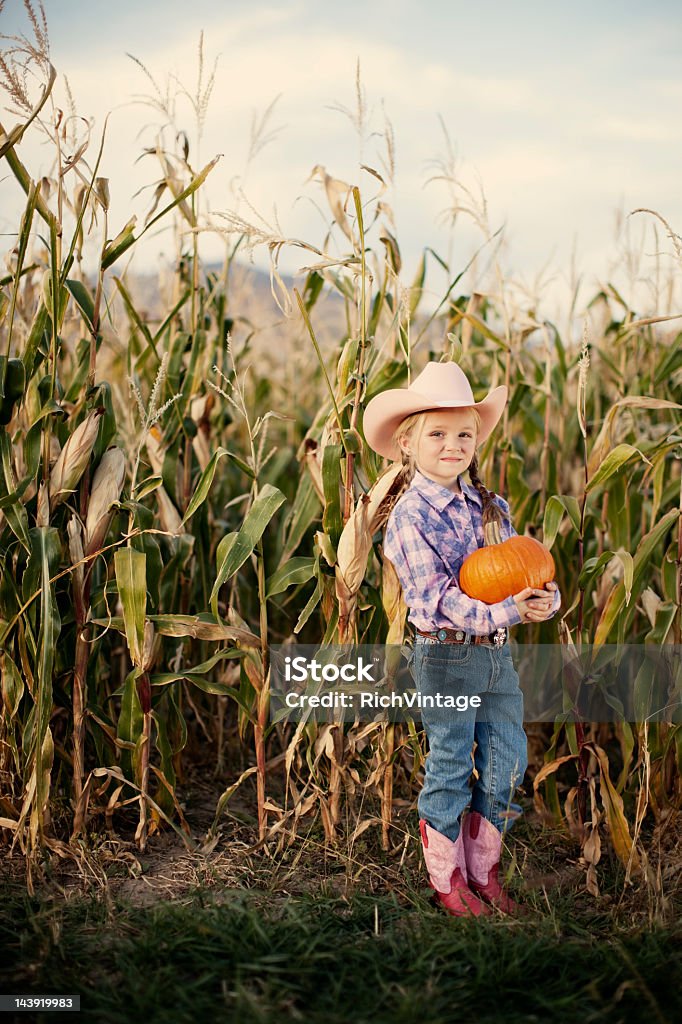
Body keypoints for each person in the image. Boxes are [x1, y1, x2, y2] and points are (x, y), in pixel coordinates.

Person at [362, 361, 561, 917]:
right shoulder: (409, 516)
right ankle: (448, 881)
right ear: (407, 441)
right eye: (437, 433)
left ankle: (485, 872)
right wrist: (508, 609)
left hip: (498, 657)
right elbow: (433, 601)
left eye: (465, 434)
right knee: (450, 765)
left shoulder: (491, 507)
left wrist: (545, 601)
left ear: (477, 440)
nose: (453, 445)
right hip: (446, 657)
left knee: (506, 762)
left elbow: (528, 569)